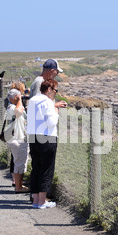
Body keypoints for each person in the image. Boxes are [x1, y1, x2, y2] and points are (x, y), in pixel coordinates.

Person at [27, 79, 67, 209]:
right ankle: (42, 201)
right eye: (55, 90)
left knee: (36, 167)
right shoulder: (48, 102)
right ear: (49, 89)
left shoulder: (32, 100)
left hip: (33, 136)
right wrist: (56, 111)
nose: (56, 93)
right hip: (47, 137)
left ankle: (36, 200)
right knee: (46, 169)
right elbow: (51, 122)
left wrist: (53, 106)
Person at [4, 89, 29, 193]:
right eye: (18, 96)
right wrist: (19, 100)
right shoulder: (12, 107)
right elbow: (18, 113)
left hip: (15, 138)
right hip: (17, 140)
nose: (21, 98)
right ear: (13, 98)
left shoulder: (13, 107)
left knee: (18, 163)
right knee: (20, 164)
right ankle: (18, 187)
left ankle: (19, 185)